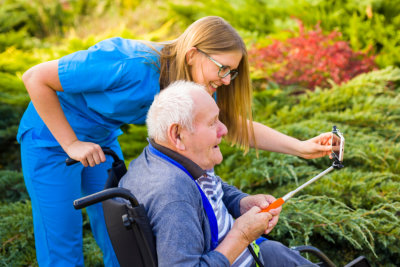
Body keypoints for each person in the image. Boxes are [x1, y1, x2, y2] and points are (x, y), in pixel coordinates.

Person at [18, 16, 331, 266]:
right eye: (222, 69)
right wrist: (72, 143)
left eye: (231, 73)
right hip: (51, 140)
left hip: (100, 142)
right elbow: (35, 78)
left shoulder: (192, 81)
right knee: (62, 246)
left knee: (120, 240)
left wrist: (302, 148)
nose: (225, 80)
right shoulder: (129, 63)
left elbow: (230, 124)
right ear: (193, 53)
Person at [119, 80, 316, 267]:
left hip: (260, 254)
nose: (224, 129)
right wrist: (242, 236)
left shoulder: (159, 157)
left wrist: (239, 202)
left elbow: (209, 187)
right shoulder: (174, 197)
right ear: (177, 134)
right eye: (213, 123)